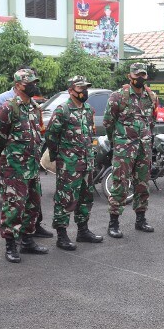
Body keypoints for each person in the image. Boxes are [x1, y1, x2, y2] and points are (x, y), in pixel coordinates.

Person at [0, 68, 49, 262]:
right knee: (13, 207)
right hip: (14, 167)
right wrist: (9, 159)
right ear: (18, 86)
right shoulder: (8, 107)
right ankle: (10, 244)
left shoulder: (33, 106)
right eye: (29, 83)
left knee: (33, 205)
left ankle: (27, 241)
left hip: (32, 166)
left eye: (34, 82)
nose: (34, 86)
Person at [46, 75, 104, 250]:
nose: (84, 91)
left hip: (86, 162)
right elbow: (50, 135)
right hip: (69, 165)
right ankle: (62, 236)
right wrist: (59, 157)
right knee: (65, 199)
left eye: (85, 88)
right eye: (80, 88)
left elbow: (88, 136)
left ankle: (83, 231)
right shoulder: (62, 110)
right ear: (71, 91)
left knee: (85, 199)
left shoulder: (88, 109)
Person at [103, 62, 159, 238]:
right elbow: (108, 123)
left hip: (144, 148)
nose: (139, 78)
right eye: (136, 76)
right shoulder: (118, 97)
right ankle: (114, 223)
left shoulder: (151, 97)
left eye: (142, 75)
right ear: (130, 77)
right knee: (120, 184)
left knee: (142, 184)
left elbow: (152, 121)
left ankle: (140, 220)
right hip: (124, 149)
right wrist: (118, 141)